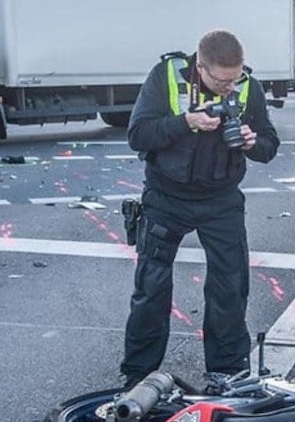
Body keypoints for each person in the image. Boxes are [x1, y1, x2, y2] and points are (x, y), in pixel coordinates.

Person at [120, 29, 280, 390]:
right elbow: (138, 135)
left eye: (235, 78)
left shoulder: (247, 86)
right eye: (222, 81)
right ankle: (138, 374)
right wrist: (186, 122)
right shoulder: (166, 76)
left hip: (221, 199)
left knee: (229, 285)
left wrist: (254, 143)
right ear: (200, 66)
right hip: (166, 196)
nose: (229, 87)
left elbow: (270, 145)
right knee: (151, 287)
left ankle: (226, 369)